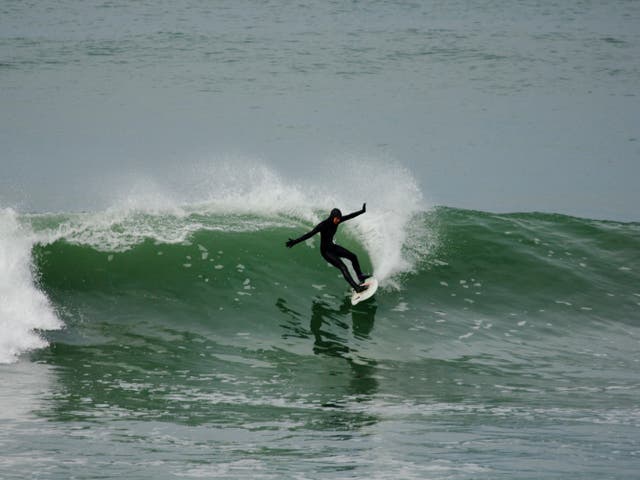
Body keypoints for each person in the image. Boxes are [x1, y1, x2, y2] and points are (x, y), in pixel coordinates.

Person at [286, 204, 370, 292]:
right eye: (337, 218)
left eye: (339, 218)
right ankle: (357, 288)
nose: (338, 220)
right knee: (343, 267)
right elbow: (309, 234)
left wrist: (361, 211)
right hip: (326, 252)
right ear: (332, 217)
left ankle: (360, 276)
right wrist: (295, 241)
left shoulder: (337, 220)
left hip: (333, 247)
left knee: (353, 257)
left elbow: (350, 216)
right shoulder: (323, 225)